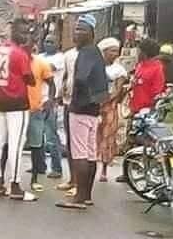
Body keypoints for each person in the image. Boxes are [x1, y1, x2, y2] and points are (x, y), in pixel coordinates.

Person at [56, 14, 107, 210]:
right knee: (90, 152)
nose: (76, 33)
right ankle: (87, 196)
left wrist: (75, 93)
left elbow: (82, 78)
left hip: (80, 107)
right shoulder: (95, 52)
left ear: (91, 33)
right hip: (93, 109)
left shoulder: (85, 53)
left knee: (79, 153)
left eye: (81, 30)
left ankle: (78, 196)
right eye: (76, 29)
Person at [0, 18, 36, 201]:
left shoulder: (2, 50)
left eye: (28, 33)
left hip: (1, 99)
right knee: (16, 144)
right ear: (14, 32)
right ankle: (15, 185)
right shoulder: (20, 53)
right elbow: (30, 78)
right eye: (23, 32)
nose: (26, 36)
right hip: (17, 101)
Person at [116, 38, 166, 183]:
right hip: (134, 109)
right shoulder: (140, 65)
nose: (137, 52)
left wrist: (150, 110)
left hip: (147, 112)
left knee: (146, 142)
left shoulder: (157, 68)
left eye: (140, 50)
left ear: (146, 52)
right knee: (131, 141)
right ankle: (129, 172)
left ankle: (150, 170)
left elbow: (157, 92)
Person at [96, 37, 127, 183]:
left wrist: (106, 100)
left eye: (116, 51)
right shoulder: (96, 67)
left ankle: (104, 169)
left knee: (108, 137)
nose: (115, 54)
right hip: (94, 106)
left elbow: (118, 90)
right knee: (94, 137)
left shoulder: (119, 70)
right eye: (112, 51)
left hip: (110, 107)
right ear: (104, 51)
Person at [27, 46, 55, 192]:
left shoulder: (41, 63)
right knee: (9, 144)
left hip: (35, 109)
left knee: (36, 144)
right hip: (16, 109)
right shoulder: (16, 60)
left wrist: (50, 100)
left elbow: (51, 84)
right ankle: (3, 180)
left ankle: (35, 178)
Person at [39, 34, 65, 179]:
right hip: (37, 99)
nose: (47, 44)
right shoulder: (40, 56)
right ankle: (39, 165)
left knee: (51, 136)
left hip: (50, 100)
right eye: (46, 41)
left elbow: (46, 69)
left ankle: (57, 168)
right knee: (37, 136)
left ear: (58, 43)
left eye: (51, 41)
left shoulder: (60, 58)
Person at [56, 45, 79, 196]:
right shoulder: (68, 54)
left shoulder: (90, 54)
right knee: (70, 142)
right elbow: (65, 75)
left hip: (81, 102)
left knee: (79, 145)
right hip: (67, 100)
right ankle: (71, 179)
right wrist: (59, 93)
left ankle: (78, 182)